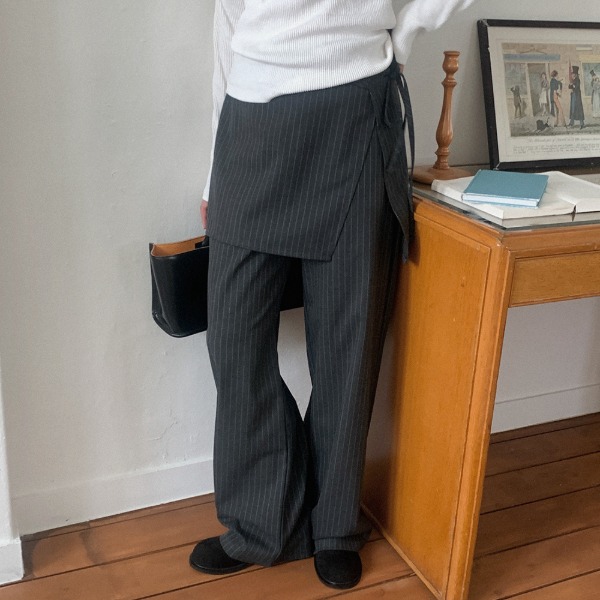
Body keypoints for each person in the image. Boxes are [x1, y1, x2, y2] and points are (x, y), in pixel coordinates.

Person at [191, 0, 476, 590]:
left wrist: (406, 33)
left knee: (349, 341)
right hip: (250, 119)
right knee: (234, 341)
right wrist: (213, 176)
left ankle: (334, 526)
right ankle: (261, 522)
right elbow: (227, 23)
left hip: (356, 108)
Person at [569, 65, 585, 129]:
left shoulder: (577, 80)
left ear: (575, 74)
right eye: (572, 74)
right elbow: (569, 87)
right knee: (573, 109)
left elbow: (576, 87)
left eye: (573, 74)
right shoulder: (573, 80)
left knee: (579, 109)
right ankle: (571, 123)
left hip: (577, 96)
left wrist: (572, 85)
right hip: (573, 95)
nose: (572, 75)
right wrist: (571, 85)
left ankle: (582, 124)